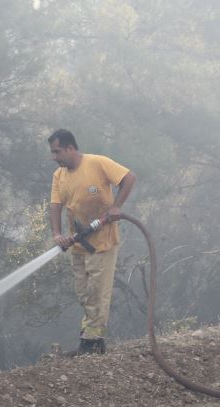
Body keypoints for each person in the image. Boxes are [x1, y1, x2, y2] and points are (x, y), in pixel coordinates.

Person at [48, 129, 136, 355]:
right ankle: (88, 338)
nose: (54, 156)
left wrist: (116, 207)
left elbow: (129, 178)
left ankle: (93, 342)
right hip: (78, 242)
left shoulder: (97, 163)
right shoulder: (59, 176)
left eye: (57, 151)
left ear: (70, 148)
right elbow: (55, 205)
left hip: (102, 241)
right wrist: (58, 234)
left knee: (97, 291)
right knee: (83, 293)